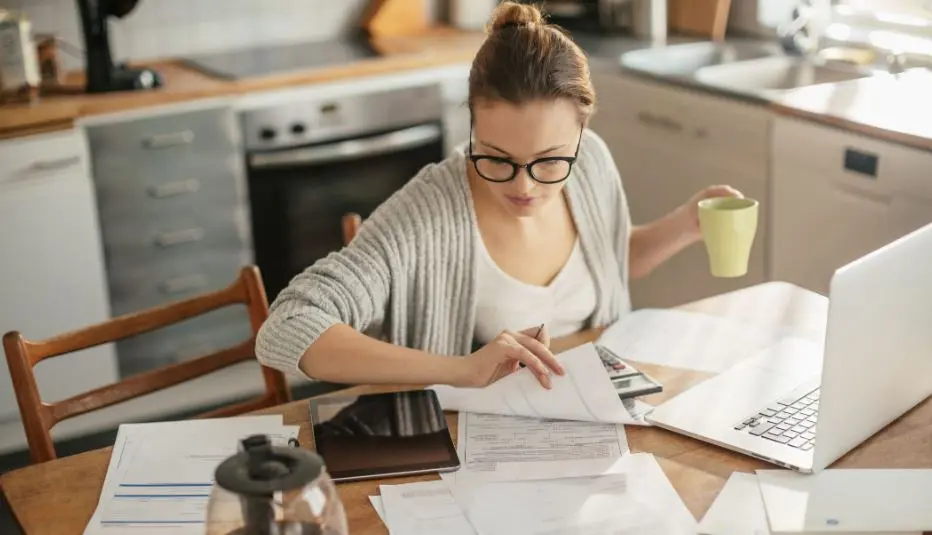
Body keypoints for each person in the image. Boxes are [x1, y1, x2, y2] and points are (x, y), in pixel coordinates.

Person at [255, 1, 742, 391]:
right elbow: (287, 328)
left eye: (550, 160)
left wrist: (684, 224)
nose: (523, 186)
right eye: (496, 157)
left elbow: (612, 258)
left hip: (596, 416)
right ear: (471, 127)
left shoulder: (591, 161)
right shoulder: (429, 213)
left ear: (582, 132)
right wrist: (461, 370)